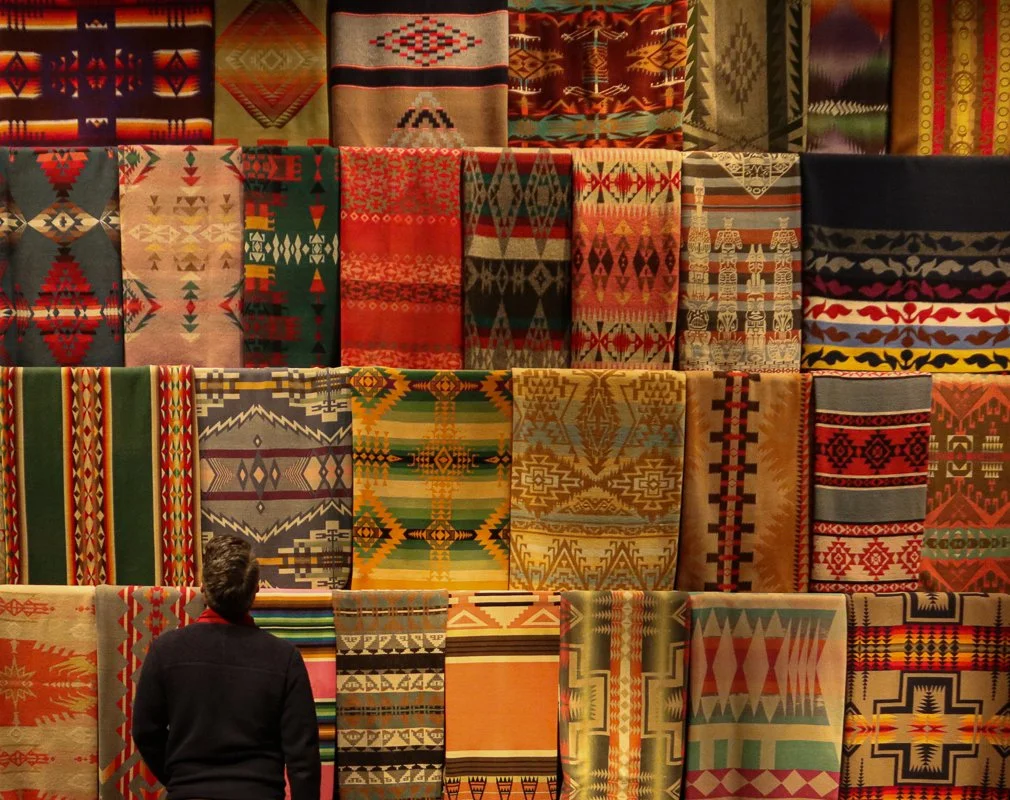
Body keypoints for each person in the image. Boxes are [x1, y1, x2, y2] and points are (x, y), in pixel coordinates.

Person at [133, 535, 321, 800]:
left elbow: (145, 732)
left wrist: (183, 781)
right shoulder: (285, 659)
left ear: (203, 588)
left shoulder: (165, 651)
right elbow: (303, 758)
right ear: (255, 591)